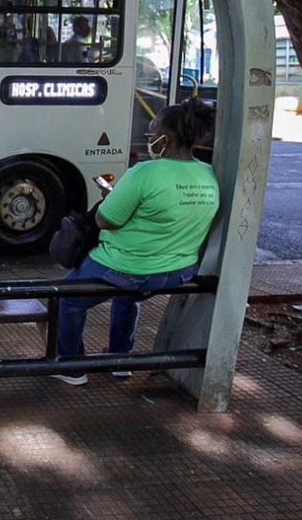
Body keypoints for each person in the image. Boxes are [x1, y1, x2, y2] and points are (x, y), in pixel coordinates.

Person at [52, 97, 219, 386]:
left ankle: (71, 366)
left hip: (125, 267)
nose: (149, 140)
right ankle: (120, 360)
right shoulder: (208, 174)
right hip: (178, 272)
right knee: (127, 297)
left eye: (152, 135)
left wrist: (113, 197)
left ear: (166, 140)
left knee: (66, 299)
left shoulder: (145, 172)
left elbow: (106, 221)